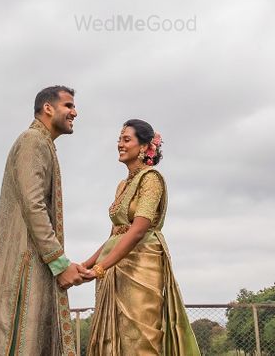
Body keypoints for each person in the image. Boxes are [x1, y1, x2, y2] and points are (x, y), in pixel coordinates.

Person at [0, 86, 87, 356]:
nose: (74, 112)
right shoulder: (33, 141)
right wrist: (59, 263)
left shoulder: (43, 143)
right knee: (15, 339)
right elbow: (33, 206)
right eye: (68, 106)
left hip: (34, 260)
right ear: (48, 108)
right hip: (23, 264)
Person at [82, 119, 201, 355]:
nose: (120, 144)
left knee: (141, 338)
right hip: (114, 268)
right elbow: (115, 234)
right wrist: (85, 265)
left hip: (142, 266)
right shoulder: (122, 186)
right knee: (113, 339)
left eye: (126, 140)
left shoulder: (151, 179)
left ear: (145, 147)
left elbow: (137, 230)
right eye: (119, 140)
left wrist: (100, 267)